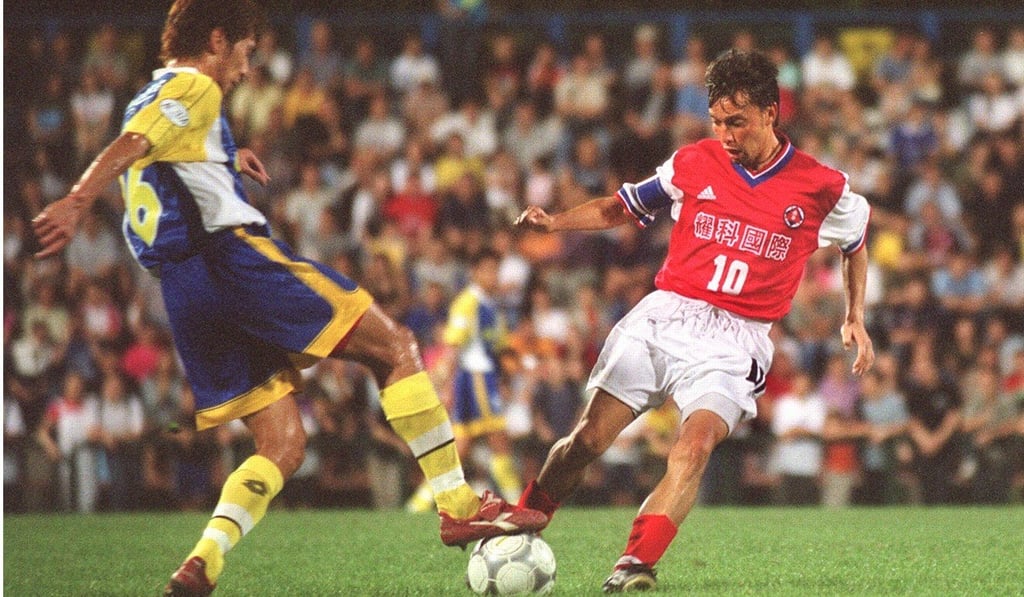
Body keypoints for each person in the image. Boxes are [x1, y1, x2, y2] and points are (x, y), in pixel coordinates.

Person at [29, 2, 545, 595]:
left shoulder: (146, 94)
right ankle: (457, 504)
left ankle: (203, 561)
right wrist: (77, 200)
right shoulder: (195, 85)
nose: (247, 69)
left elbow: (156, 154)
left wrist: (225, 157)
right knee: (396, 346)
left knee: (282, 444)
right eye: (246, 52)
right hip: (231, 262)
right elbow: (134, 142)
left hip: (183, 292)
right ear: (217, 39)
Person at [515, 49, 873, 593]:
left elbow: (855, 243)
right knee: (587, 441)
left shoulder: (822, 186)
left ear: (770, 113)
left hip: (737, 339)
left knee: (694, 446)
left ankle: (634, 564)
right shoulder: (693, 162)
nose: (725, 134)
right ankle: (525, 522)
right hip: (667, 315)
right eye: (717, 121)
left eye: (737, 122)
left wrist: (854, 315)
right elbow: (620, 207)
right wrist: (556, 223)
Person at [407, 249, 523, 511]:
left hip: (485, 377)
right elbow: (453, 346)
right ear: (475, 273)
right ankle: (518, 503)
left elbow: (499, 347)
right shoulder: (467, 303)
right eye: (488, 270)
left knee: (462, 447)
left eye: (496, 270)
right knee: (498, 439)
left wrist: (510, 373)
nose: (494, 276)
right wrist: (441, 383)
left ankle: (419, 503)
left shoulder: (491, 305)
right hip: (475, 378)